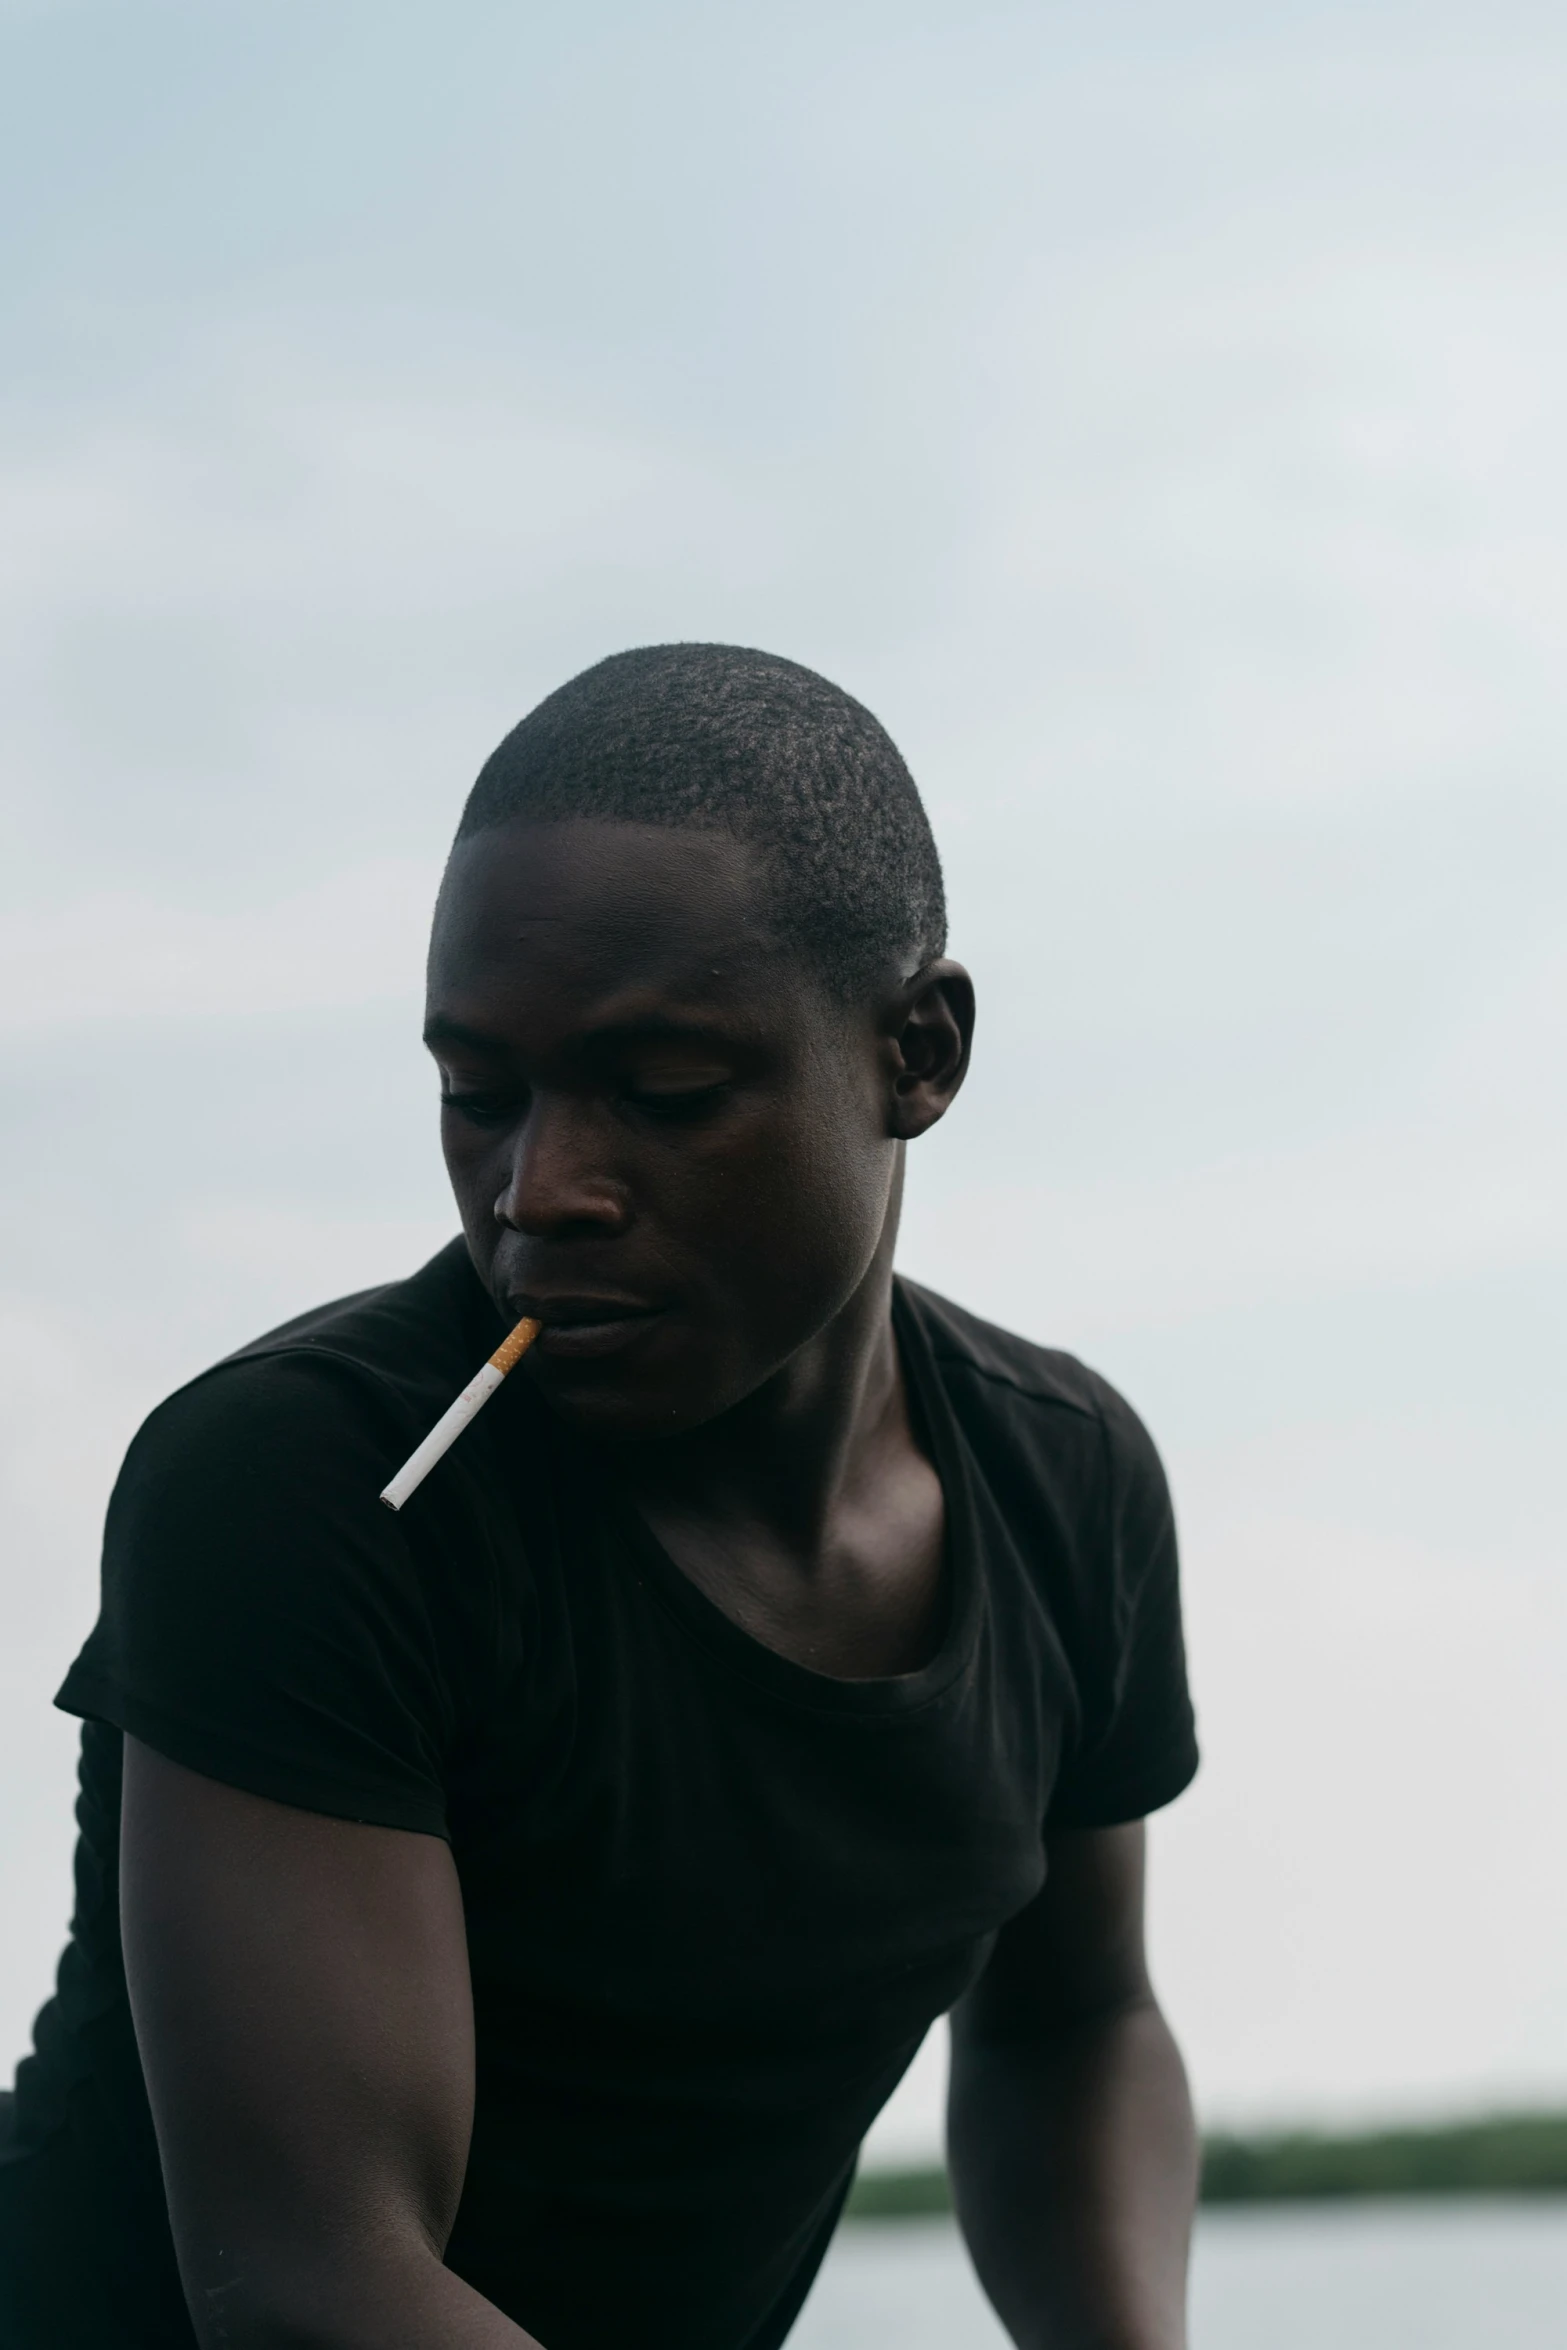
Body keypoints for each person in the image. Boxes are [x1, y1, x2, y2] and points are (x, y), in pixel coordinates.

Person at [0, 644, 1200, 2350]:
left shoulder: (1062, 1476)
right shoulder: (304, 1487)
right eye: (479, 1093)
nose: (537, 1192)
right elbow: (318, 2283)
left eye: (662, 1091)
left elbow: (1072, 2022)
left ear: (914, 1053)